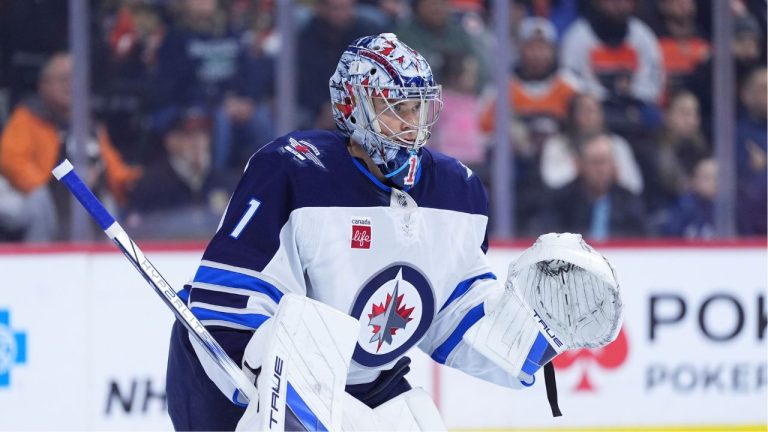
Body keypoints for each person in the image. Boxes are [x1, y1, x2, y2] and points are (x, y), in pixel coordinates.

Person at [165, 33, 620, 430]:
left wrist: (531, 339)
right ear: (351, 107)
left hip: (363, 381)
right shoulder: (295, 170)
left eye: (419, 106)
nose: (413, 121)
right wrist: (261, 360)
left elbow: (451, 314)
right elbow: (229, 295)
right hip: (230, 376)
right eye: (396, 108)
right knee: (303, 346)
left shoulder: (456, 191)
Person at [0, 52, 141, 241]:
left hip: (79, 201)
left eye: (76, 79)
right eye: (63, 79)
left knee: (108, 203)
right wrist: (44, 187)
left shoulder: (89, 125)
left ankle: (108, 262)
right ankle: (39, 262)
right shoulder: (28, 117)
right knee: (38, 201)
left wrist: (138, 182)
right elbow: (10, 160)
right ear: (44, 85)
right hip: (38, 197)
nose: (70, 85)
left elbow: (113, 170)